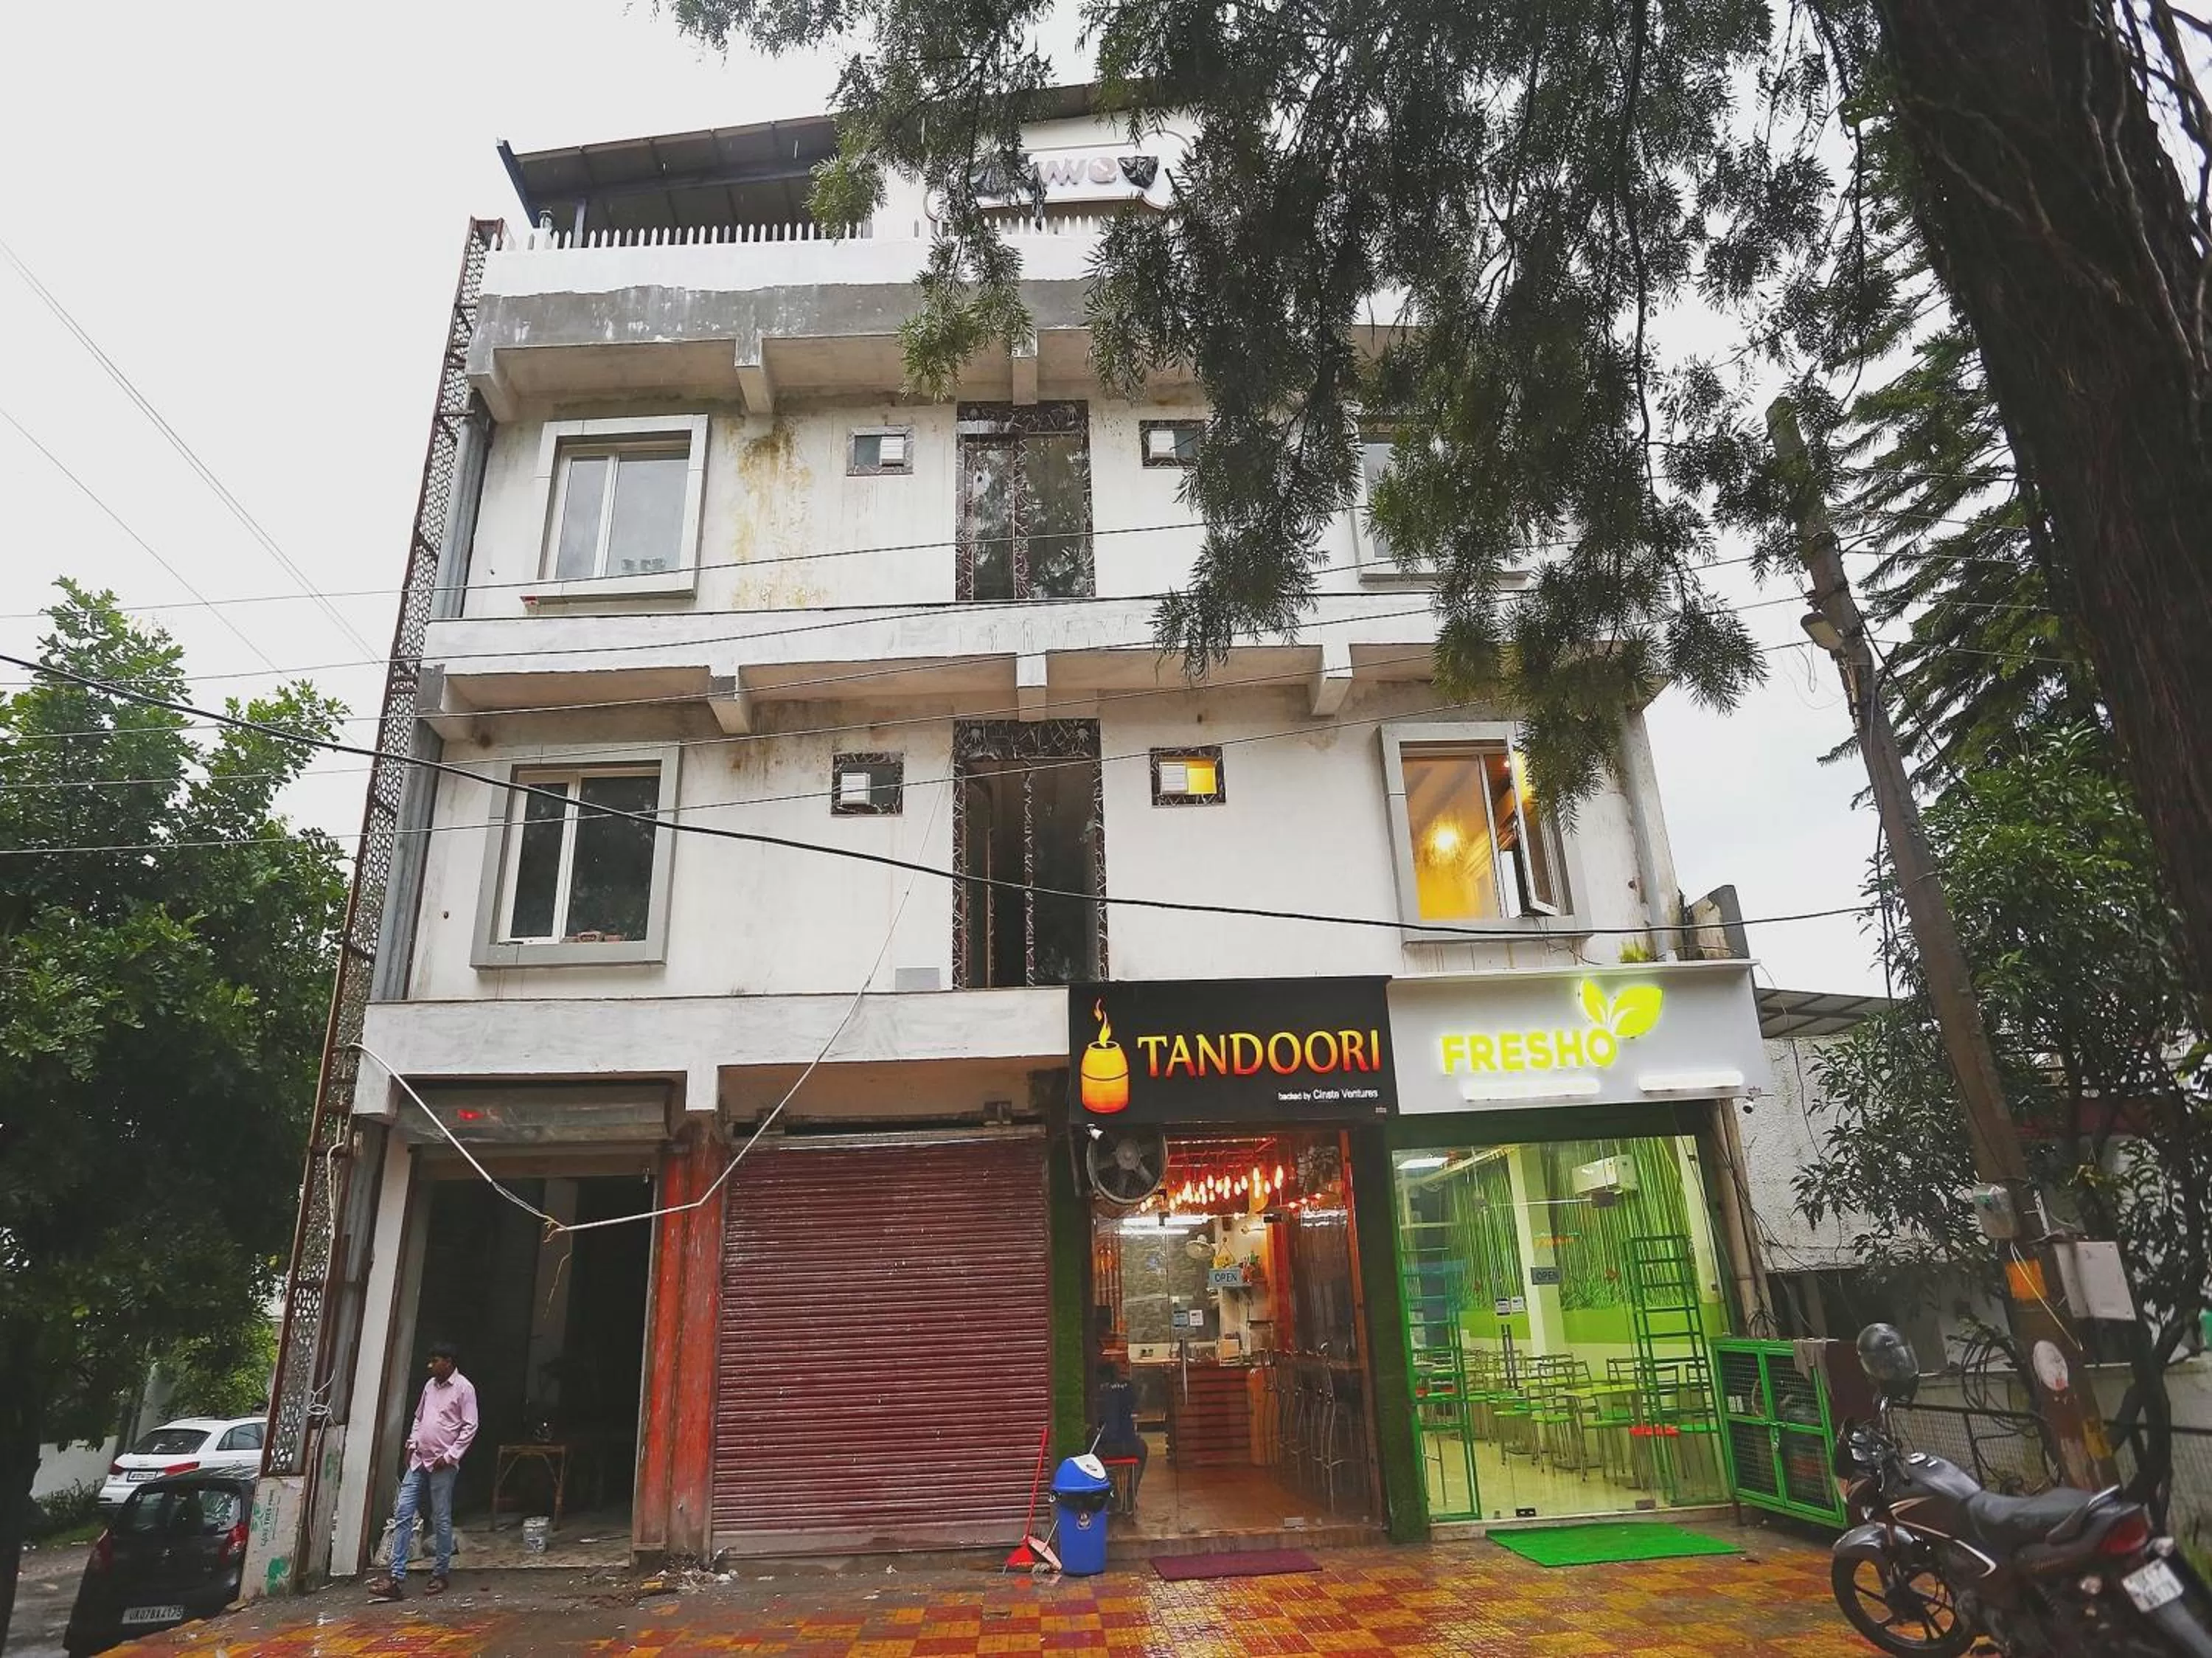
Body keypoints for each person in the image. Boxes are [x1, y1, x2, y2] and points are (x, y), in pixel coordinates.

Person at [368, 1341, 478, 1600]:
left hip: (443, 1464)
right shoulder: (430, 1387)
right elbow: (419, 1418)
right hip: (419, 1460)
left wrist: (450, 1456)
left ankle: (440, 1574)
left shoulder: (464, 1388)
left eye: (435, 1361)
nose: (430, 1366)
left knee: (440, 1517)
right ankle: (396, 1577)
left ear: (449, 1362)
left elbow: (470, 1426)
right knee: (403, 1513)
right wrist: (411, 1442)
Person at [1094, 1359, 1147, 1509]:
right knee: (1143, 1449)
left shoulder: (1097, 1390)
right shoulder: (1128, 1386)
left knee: (1094, 1457)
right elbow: (1138, 1409)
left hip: (1108, 1448)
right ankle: (1130, 1494)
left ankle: (1113, 1497)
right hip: (1130, 1445)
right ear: (1117, 1373)